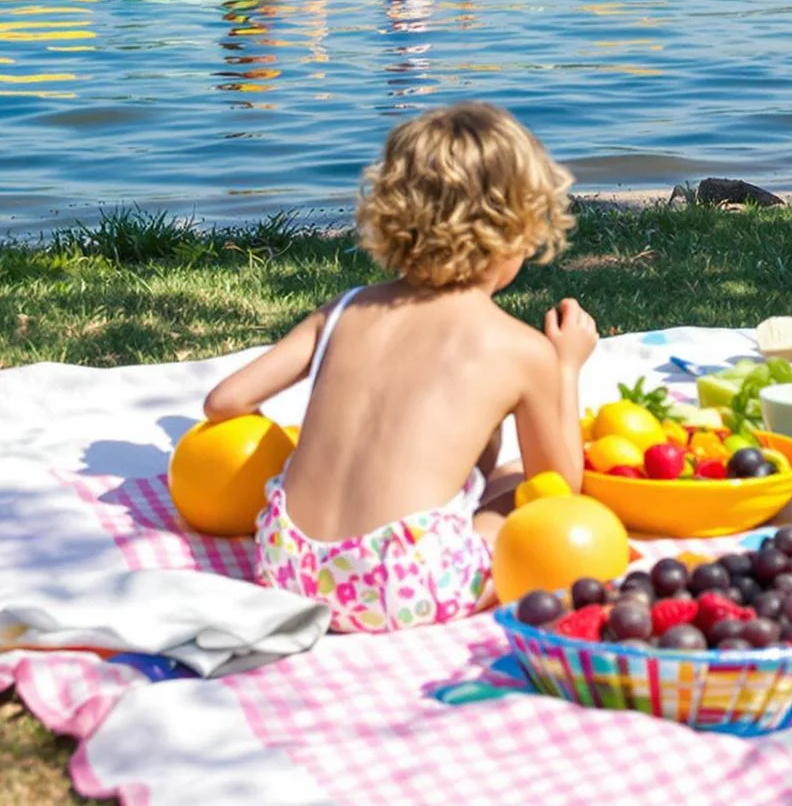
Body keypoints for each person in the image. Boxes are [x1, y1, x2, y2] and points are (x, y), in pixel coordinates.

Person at [202, 101, 597, 634]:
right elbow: (558, 483)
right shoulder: (521, 348)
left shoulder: (346, 309)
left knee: (484, 472)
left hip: (286, 564)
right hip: (402, 586)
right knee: (517, 489)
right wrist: (565, 365)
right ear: (520, 228)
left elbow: (224, 403)